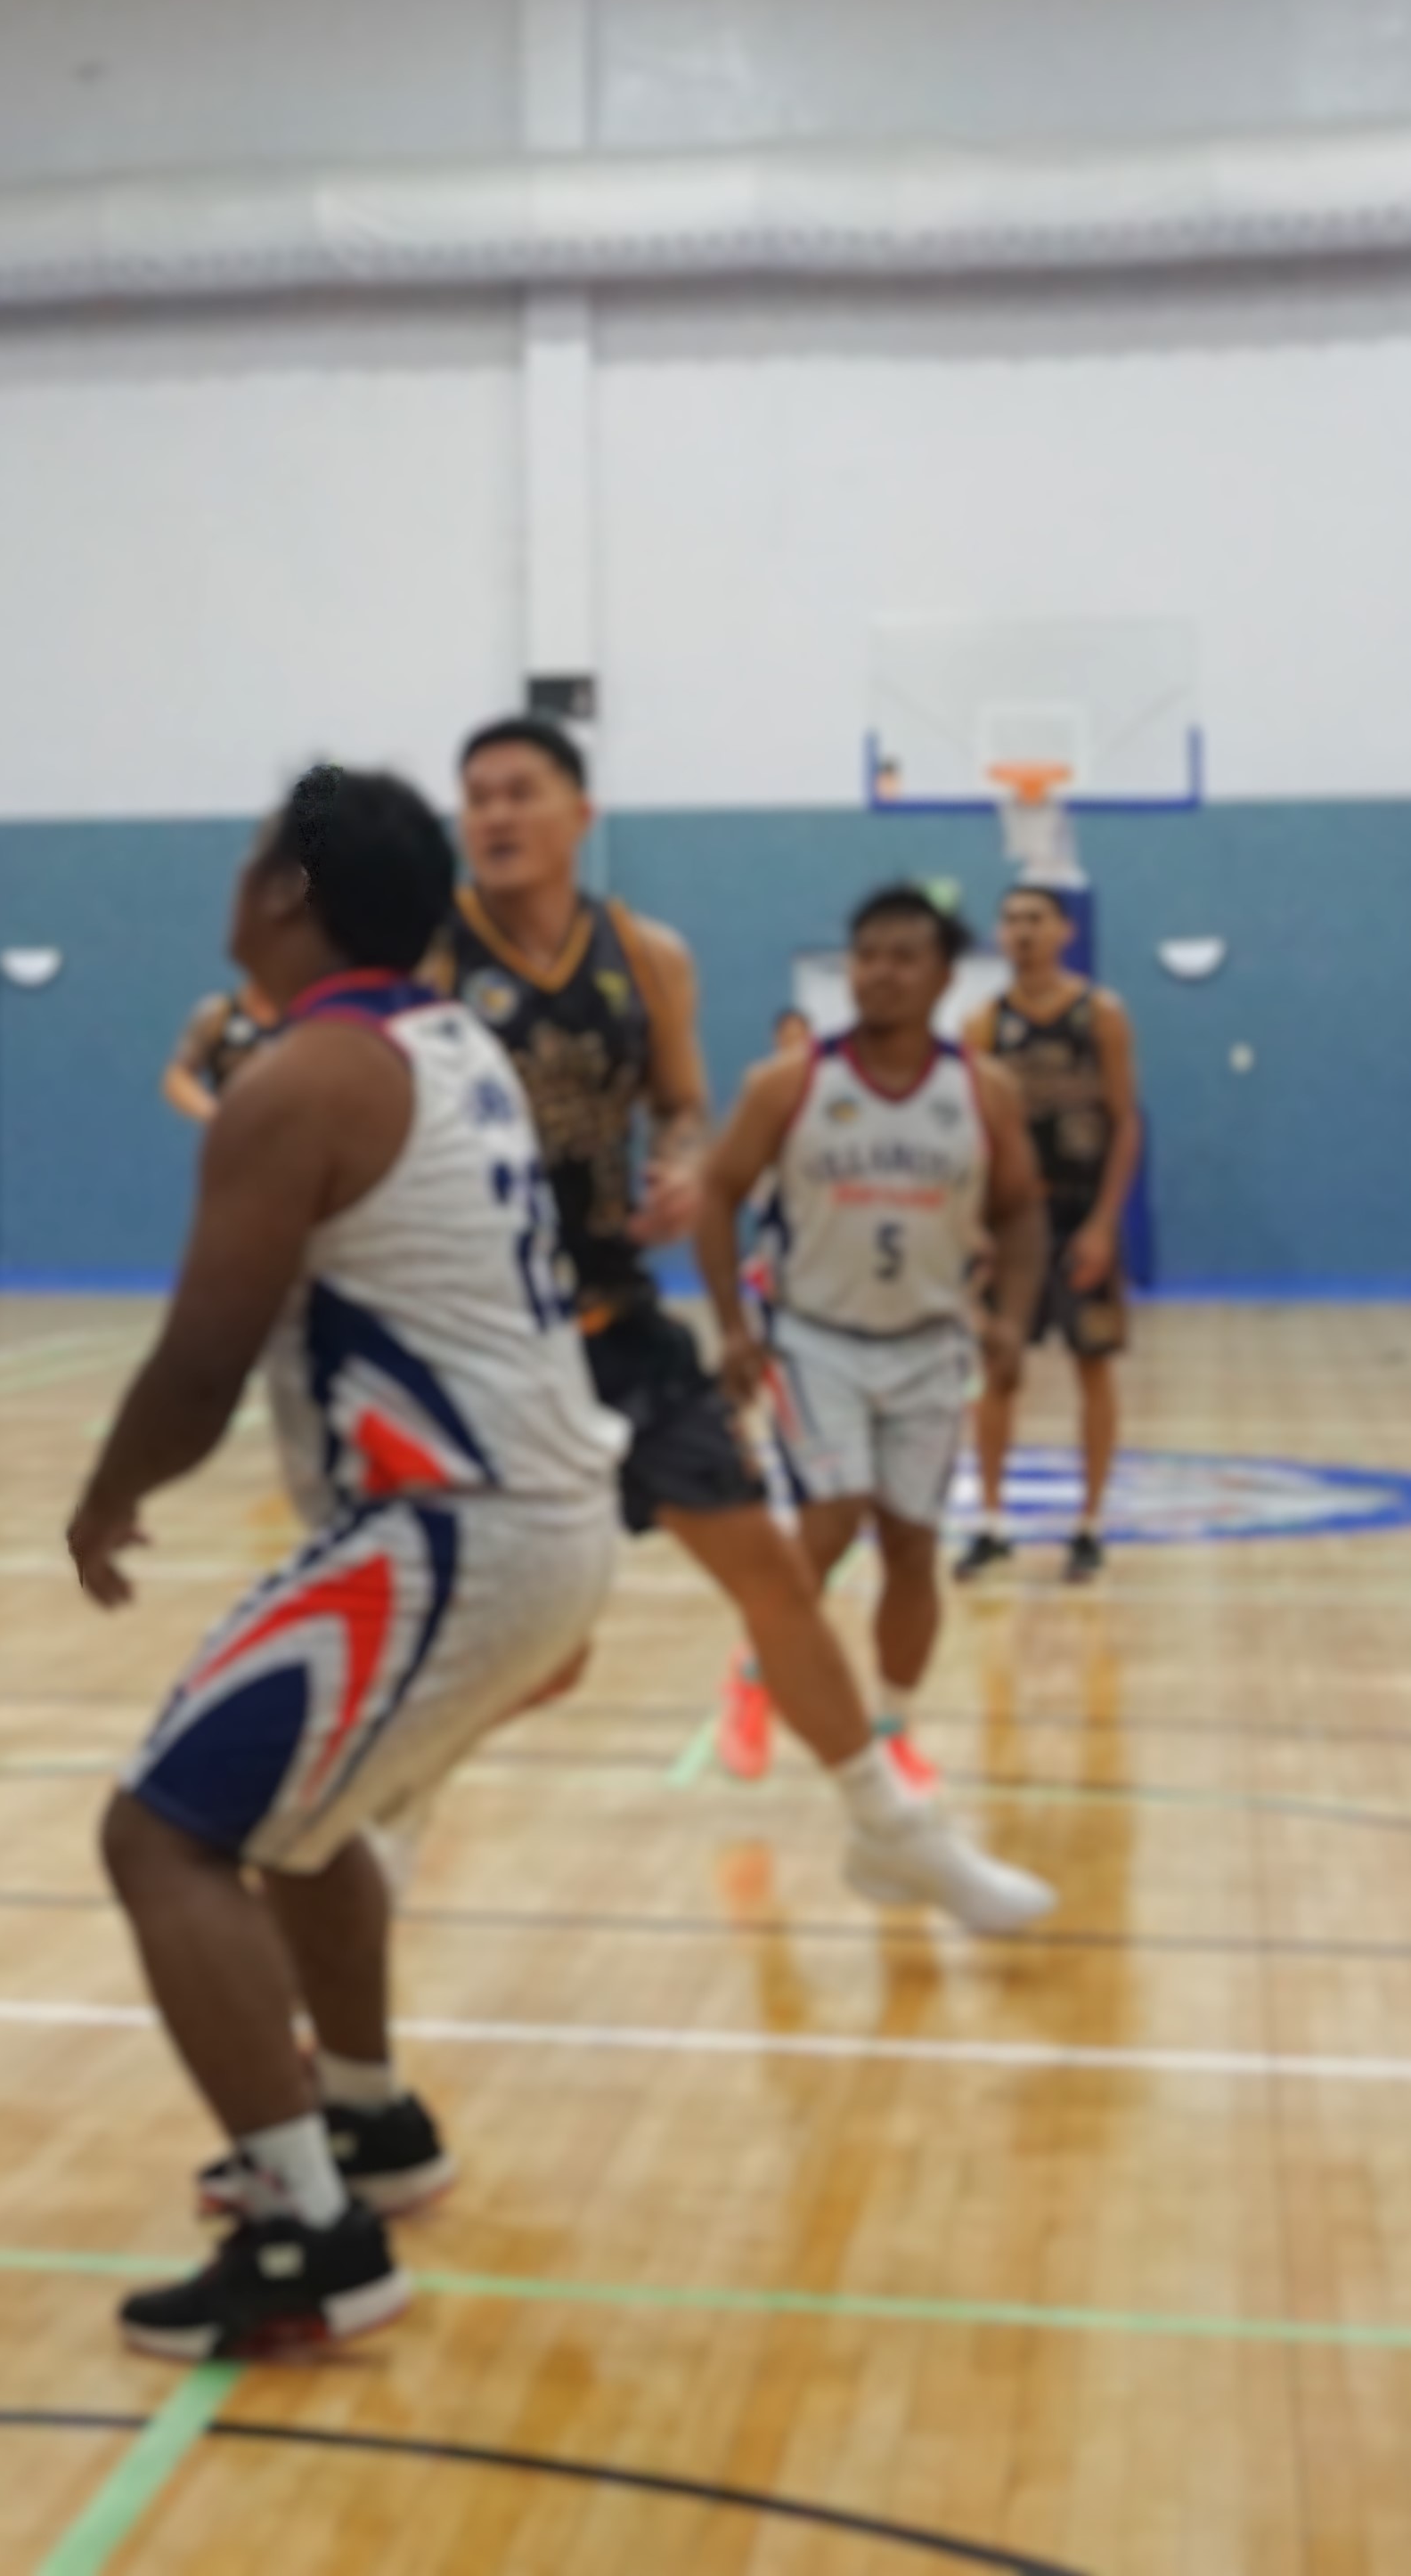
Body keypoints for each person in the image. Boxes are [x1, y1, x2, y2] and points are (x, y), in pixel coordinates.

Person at [69, 768, 626, 2362]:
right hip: (536, 1519)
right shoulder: (456, 1045)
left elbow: (202, 1358)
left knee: (160, 1839)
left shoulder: (302, 1081)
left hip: (454, 1528)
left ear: (286, 896)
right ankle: (371, 2124)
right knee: (299, 1835)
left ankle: (316, 2237)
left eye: (250, 863)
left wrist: (107, 1495)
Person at [434, 719, 1050, 1930]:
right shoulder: (430, 948)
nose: (495, 816)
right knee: (521, 1639)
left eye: (519, 792)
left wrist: (674, 1164)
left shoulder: (646, 954)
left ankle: (892, 1829)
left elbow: (678, 1107)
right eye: (475, 799)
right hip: (485, 1328)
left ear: (578, 813)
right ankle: (368, 1829)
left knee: (769, 1573)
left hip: (614, 1311)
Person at [697, 886, 1050, 1791]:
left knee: (911, 1543)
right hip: (816, 1336)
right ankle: (753, 1674)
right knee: (831, 1517)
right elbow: (715, 1191)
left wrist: (1009, 1316)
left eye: (902, 956)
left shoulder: (981, 1091)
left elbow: (1018, 1214)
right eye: (866, 954)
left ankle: (892, 1723)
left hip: (931, 1342)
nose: (880, 972)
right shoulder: (790, 1083)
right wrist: (732, 1328)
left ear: (941, 976)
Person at [956, 884, 1142, 1584]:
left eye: (1035, 919)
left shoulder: (1101, 1015)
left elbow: (1126, 1121)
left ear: (1064, 930)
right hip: (1014, 1223)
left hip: (1081, 1213)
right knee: (998, 1370)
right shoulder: (982, 1023)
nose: (1021, 930)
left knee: (1092, 1365)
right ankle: (992, 1522)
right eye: (1010, 920)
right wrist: (975, 1227)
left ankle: (1090, 1524)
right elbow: (970, 1133)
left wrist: (1104, 1224)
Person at [159, 980, 281, 1124]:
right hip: (236, 1137)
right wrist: (216, 1114)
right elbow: (178, 1077)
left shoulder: (305, 1019)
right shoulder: (219, 1012)